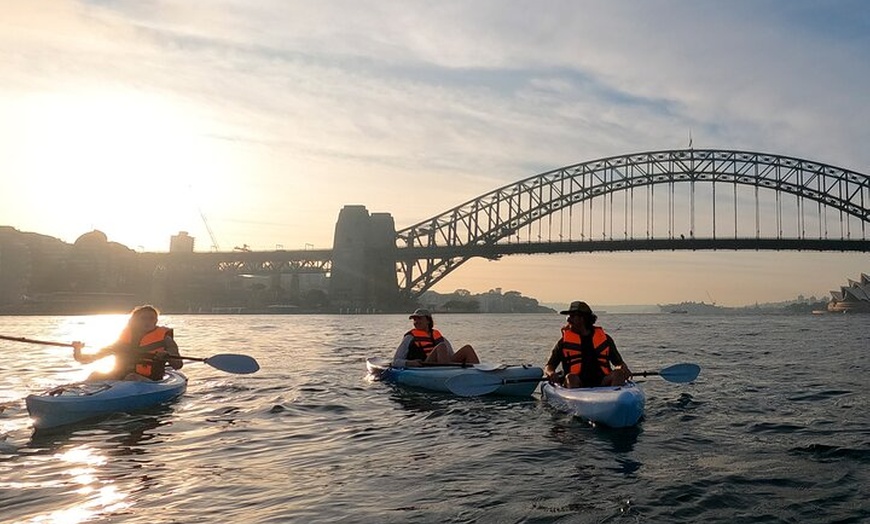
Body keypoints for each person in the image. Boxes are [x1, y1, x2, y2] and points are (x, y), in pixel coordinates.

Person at [72, 305, 183, 381]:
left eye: (152, 318)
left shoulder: (165, 340)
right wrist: (77, 350)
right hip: (121, 379)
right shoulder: (121, 341)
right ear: (134, 321)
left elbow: (178, 365)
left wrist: (167, 356)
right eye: (143, 319)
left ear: (156, 320)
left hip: (150, 380)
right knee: (95, 375)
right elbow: (86, 359)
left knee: (132, 377)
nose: (148, 322)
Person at [543, 301, 631, 388]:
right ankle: (575, 401)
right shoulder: (563, 342)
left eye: (572, 316)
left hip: (602, 381)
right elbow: (550, 365)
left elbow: (618, 363)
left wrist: (623, 368)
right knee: (571, 377)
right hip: (577, 383)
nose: (568, 320)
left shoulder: (605, 339)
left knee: (618, 373)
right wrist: (551, 373)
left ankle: (615, 397)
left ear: (582, 318)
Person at [392, 308, 481, 367]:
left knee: (467, 349)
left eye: (419, 319)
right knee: (441, 346)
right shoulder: (409, 338)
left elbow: (450, 356)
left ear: (428, 321)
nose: (416, 322)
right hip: (426, 366)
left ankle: (479, 372)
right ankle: (446, 373)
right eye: (415, 319)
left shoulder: (439, 337)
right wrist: (409, 363)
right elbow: (395, 361)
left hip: (442, 366)